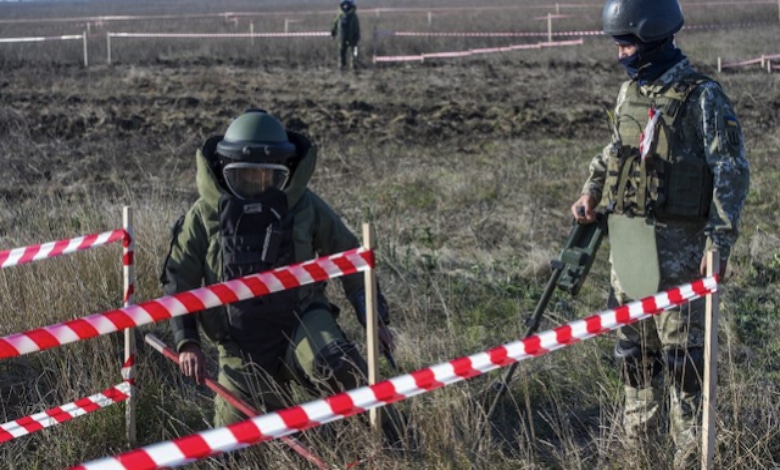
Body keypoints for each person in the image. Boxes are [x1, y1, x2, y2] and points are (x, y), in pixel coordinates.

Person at [570, 0, 749, 467]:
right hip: (628, 245)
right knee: (633, 355)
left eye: (626, 43)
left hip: (681, 254)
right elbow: (613, 152)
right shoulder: (630, 93)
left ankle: (689, 454)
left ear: (653, 39)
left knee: (683, 363)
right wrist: (591, 192)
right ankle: (638, 451)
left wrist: (720, 243)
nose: (620, 53)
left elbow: (731, 172)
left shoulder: (702, 97)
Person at [161, 109, 399, 438]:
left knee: (343, 367)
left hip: (303, 321)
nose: (258, 183)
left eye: (268, 175)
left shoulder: (304, 206)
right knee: (231, 449)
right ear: (226, 170)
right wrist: (187, 341)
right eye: (246, 176)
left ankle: (397, 445)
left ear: (284, 172)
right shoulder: (204, 215)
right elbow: (178, 278)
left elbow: (350, 257)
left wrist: (374, 318)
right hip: (238, 345)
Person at [330, 0, 361, 71]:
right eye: (344, 5)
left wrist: (357, 36)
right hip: (342, 37)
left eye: (347, 5)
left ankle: (354, 66)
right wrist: (333, 33)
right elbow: (335, 25)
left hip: (353, 38)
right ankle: (342, 67)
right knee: (341, 52)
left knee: (355, 52)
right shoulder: (339, 16)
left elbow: (357, 27)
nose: (346, 6)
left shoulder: (354, 16)